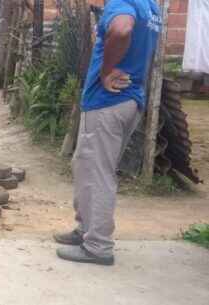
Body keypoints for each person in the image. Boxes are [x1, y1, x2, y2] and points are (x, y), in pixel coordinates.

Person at [54, 0, 161, 266]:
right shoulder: (150, 6)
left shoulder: (122, 3)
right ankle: (85, 230)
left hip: (108, 101)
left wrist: (106, 71)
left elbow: (121, 30)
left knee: (97, 173)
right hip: (128, 98)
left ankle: (97, 246)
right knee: (85, 165)